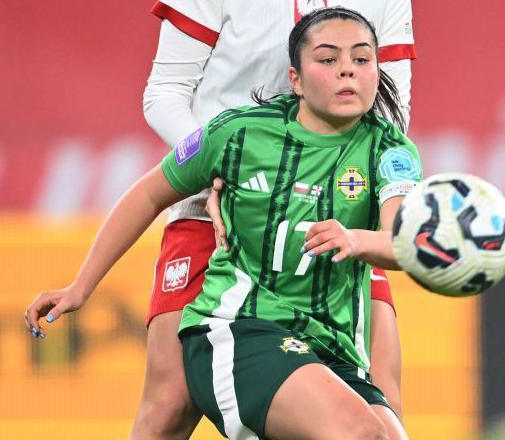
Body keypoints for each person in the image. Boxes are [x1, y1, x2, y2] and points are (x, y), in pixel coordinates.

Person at [26, 7, 421, 439]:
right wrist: (80, 287)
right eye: (328, 59)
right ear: (295, 78)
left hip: (334, 293)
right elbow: (156, 149)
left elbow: (402, 233)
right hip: (239, 299)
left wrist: (361, 234)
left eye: (361, 59)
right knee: (171, 405)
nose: (347, 69)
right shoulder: (236, 136)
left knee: (385, 423)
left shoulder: (390, 150)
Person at [140, 2, 415, 437]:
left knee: (380, 402)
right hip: (218, 207)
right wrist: (220, 175)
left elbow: (390, 107)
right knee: (170, 404)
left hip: (337, 216)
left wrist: (364, 202)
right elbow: (165, 92)